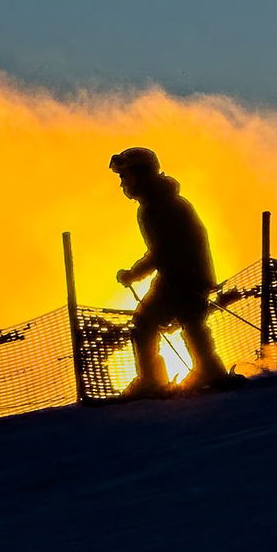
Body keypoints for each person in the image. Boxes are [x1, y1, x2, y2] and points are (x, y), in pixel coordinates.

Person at [110, 147, 230, 398]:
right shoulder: (165, 200)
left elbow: (162, 250)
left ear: (140, 174)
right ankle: (209, 370)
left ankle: (152, 381)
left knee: (144, 323)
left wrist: (133, 274)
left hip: (179, 277)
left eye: (124, 176)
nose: (122, 183)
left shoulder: (156, 206)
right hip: (190, 274)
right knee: (192, 323)